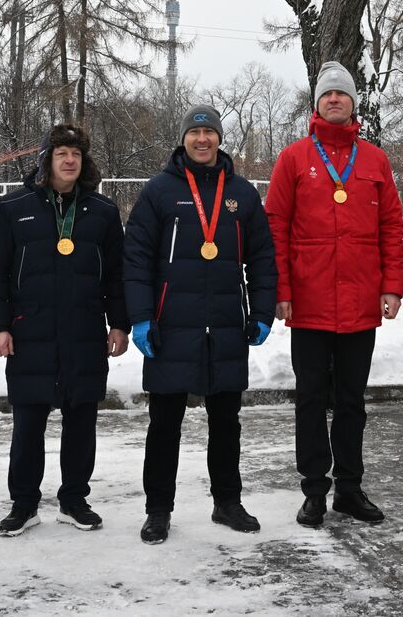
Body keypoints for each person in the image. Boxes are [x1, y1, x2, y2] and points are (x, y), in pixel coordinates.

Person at [124, 106, 277, 544]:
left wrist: (262, 312)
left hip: (227, 325)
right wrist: (140, 317)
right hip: (171, 326)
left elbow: (262, 259)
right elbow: (135, 260)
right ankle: (158, 510)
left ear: (219, 139)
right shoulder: (158, 192)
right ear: (184, 139)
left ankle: (227, 502)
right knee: (165, 423)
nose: (203, 139)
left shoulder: (242, 195)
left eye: (210, 132)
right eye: (195, 132)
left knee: (226, 422)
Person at [264, 62, 403, 527]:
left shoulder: (374, 160)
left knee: (351, 401)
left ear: (353, 103)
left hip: (361, 302)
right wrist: (281, 290)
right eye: (328, 95)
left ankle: (349, 487)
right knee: (310, 399)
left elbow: (390, 226)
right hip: (308, 302)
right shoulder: (293, 158)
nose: (335, 100)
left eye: (342, 94)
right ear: (317, 103)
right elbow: (275, 227)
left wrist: (390, 285)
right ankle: (313, 491)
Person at [0, 124, 129, 537]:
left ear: (85, 162)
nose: (69, 161)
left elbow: (117, 275)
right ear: (46, 159)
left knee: (81, 422)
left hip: (84, 333)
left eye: (76, 155)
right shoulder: (14, 208)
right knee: (28, 423)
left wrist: (119, 323)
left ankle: (74, 499)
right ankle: (24, 503)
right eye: (61, 153)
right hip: (30, 333)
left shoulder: (102, 212)